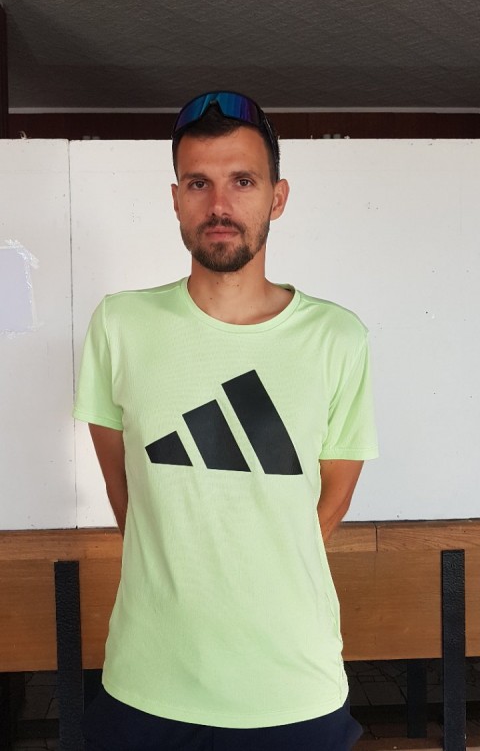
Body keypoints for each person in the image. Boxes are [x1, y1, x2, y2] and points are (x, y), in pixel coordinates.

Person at [74, 90, 378, 751]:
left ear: (277, 197)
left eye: (243, 181)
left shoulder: (338, 337)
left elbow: (334, 496)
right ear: (175, 198)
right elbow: (127, 491)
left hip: (294, 687)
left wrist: (257, 568)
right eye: (198, 183)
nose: (219, 204)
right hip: (148, 684)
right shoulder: (119, 326)